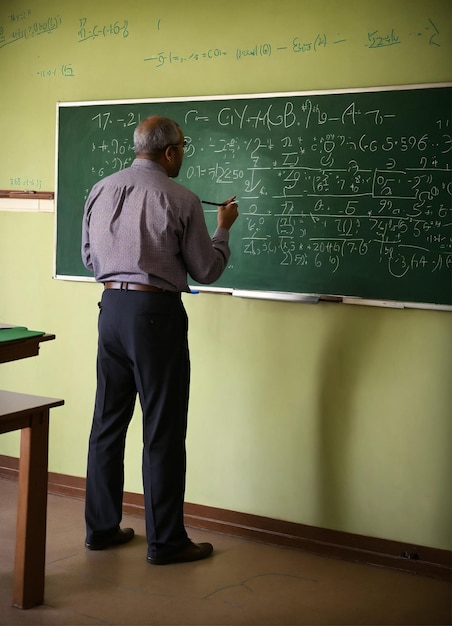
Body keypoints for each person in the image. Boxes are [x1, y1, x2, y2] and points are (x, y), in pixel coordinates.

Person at [81, 115, 238, 564]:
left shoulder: (100, 189)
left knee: (107, 425)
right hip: (155, 316)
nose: (183, 154)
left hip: (110, 311)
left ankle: (101, 529)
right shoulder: (182, 198)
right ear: (169, 152)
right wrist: (223, 227)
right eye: (183, 147)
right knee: (163, 430)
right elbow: (206, 270)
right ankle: (166, 541)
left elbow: (89, 257)